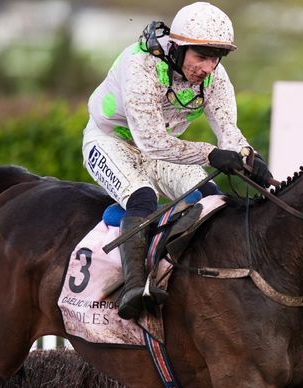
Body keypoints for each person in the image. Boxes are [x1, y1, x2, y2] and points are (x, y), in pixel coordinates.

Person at [82, 2, 273, 320]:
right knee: (143, 197)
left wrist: (250, 159)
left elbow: (228, 133)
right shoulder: (140, 65)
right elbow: (151, 142)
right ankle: (134, 287)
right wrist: (211, 154)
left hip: (162, 150)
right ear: (177, 47)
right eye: (202, 56)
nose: (208, 68)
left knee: (212, 198)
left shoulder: (215, 77)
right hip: (110, 142)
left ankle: (196, 279)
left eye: (216, 58)